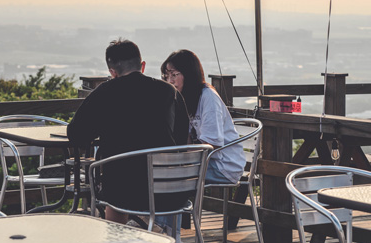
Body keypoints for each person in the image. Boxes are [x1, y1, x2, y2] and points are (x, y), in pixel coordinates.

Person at [67, 39, 190, 226]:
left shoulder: (105, 93)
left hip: (123, 195)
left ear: (112, 72)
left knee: (117, 181)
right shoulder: (169, 92)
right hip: (169, 193)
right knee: (123, 181)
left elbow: (76, 135)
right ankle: (170, 242)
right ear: (142, 65)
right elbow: (181, 139)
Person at [160, 49, 244, 185]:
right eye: (166, 76)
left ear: (189, 75)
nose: (170, 81)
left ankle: (183, 206)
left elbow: (212, 144)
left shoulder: (208, 96)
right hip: (203, 161)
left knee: (168, 174)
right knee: (160, 169)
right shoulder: (184, 98)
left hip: (224, 166)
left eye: (174, 75)